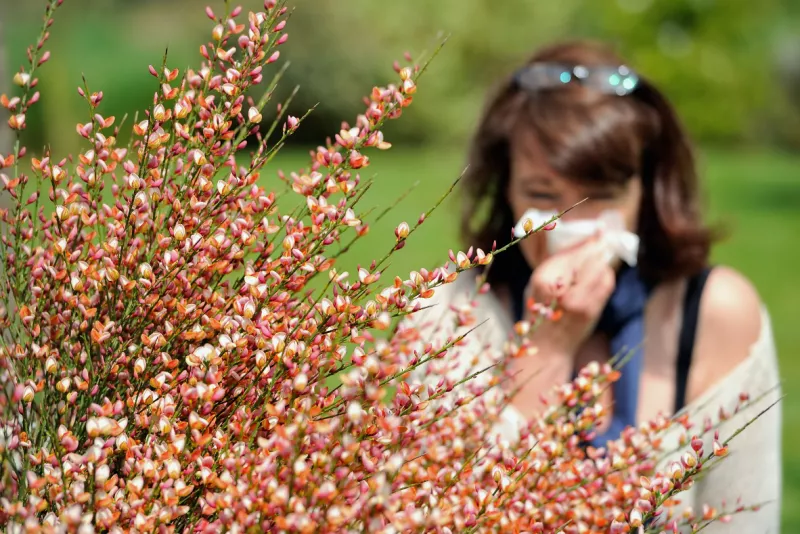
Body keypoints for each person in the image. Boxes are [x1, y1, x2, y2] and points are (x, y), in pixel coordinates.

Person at [408, 40, 782, 531]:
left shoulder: (715, 314)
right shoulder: (451, 313)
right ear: (506, 190)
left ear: (646, 191)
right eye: (543, 195)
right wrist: (545, 346)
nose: (572, 226)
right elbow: (441, 518)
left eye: (601, 197)